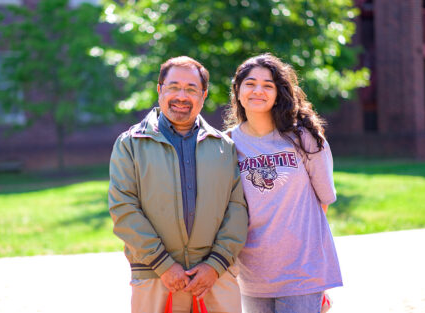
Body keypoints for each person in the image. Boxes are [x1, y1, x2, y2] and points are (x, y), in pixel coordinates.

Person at [108, 56, 249, 313]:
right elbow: (123, 209)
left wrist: (215, 265)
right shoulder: (130, 144)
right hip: (153, 275)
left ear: (203, 95)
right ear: (160, 90)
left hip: (214, 279)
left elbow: (237, 209)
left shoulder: (224, 147)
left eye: (191, 89)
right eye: (173, 87)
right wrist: (163, 265)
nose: (181, 96)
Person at [224, 53, 343, 313]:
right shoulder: (225, 144)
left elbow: (323, 201)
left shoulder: (304, 137)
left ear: (279, 93)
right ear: (238, 90)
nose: (258, 90)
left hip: (302, 271)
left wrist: (312, 272)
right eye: (250, 83)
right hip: (252, 272)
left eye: (268, 85)